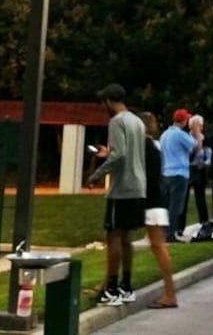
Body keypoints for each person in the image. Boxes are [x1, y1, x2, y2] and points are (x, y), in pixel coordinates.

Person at [86, 83, 146, 307]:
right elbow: (127, 152)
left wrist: (96, 174)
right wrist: (108, 153)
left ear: (109, 102)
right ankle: (126, 285)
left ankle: (111, 288)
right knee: (127, 237)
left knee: (113, 236)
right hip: (138, 186)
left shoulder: (116, 121)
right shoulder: (137, 122)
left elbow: (120, 156)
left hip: (122, 188)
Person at [136, 111, 178, 309]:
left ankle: (170, 293)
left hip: (150, 201)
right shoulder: (155, 145)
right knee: (158, 246)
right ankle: (170, 292)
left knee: (158, 246)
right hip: (158, 199)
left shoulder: (143, 146)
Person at [160, 108, 202, 243]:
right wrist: (197, 132)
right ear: (184, 121)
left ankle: (164, 231)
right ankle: (171, 234)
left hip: (166, 172)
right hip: (179, 173)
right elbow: (196, 146)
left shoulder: (165, 134)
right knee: (176, 206)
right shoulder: (179, 134)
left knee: (166, 205)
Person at [178, 114, 211, 235]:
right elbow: (191, 152)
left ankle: (204, 223)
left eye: (199, 126)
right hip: (188, 169)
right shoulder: (186, 138)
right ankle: (180, 227)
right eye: (195, 126)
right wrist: (197, 138)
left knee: (200, 199)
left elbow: (208, 154)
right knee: (183, 199)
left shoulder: (205, 139)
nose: (198, 128)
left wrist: (206, 162)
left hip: (200, 169)